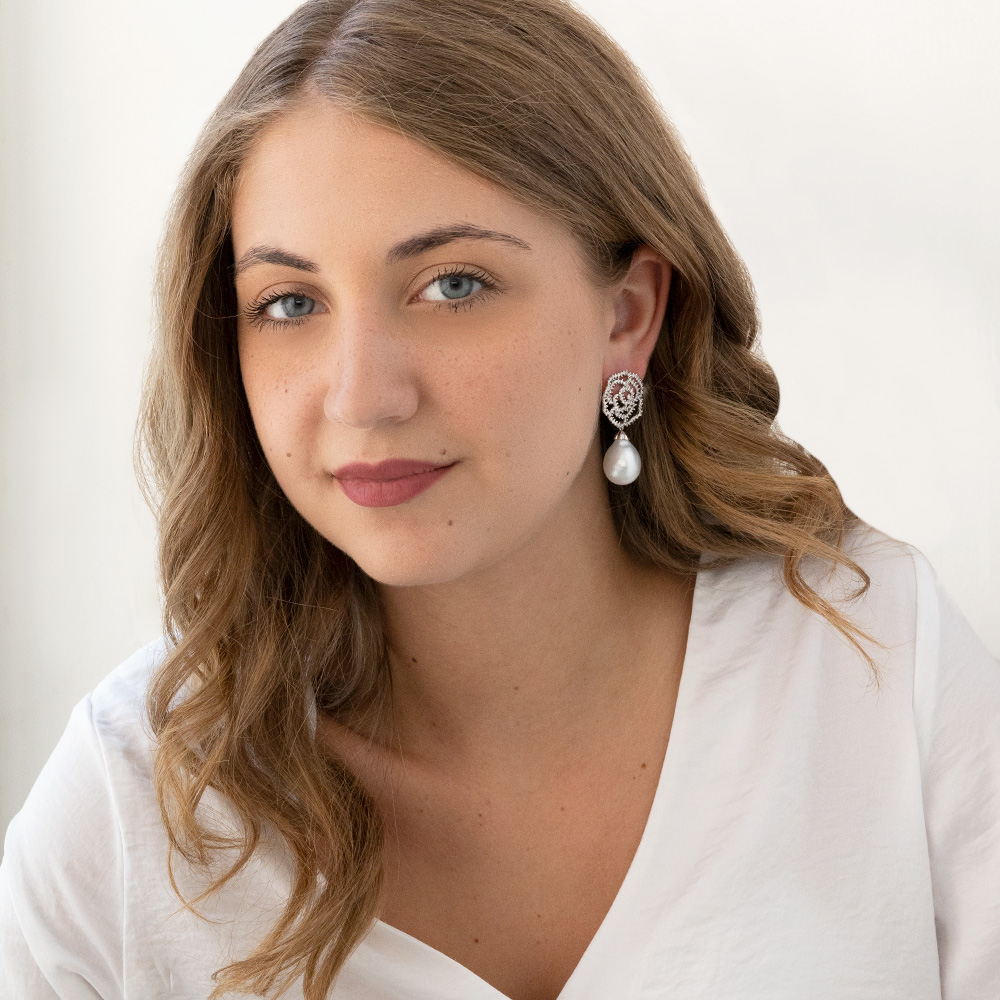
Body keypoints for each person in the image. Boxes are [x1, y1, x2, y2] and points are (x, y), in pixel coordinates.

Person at [1, 1, 997, 998]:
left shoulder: (876, 668)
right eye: (290, 303)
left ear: (628, 314)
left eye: (453, 286)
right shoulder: (125, 815)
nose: (362, 396)